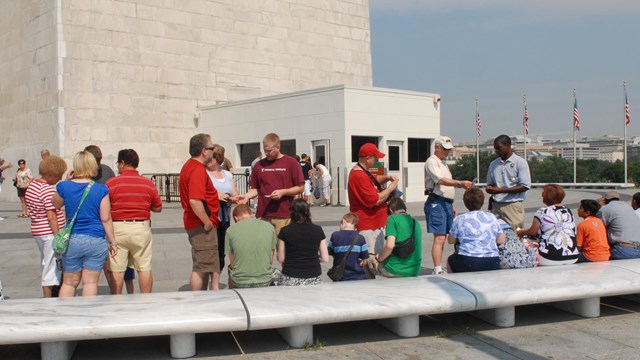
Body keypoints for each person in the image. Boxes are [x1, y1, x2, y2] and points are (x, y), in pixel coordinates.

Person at [52, 151, 118, 297]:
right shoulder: (101, 189)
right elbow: (106, 218)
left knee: (69, 282)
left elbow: (55, 204)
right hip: (95, 239)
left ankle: (65, 315)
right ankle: (87, 316)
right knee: (90, 282)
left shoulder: (64, 186)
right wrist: (113, 242)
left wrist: (64, 180)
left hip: (72, 240)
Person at [106, 149, 162, 294]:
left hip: (117, 228)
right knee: (144, 267)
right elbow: (158, 207)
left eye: (118, 163)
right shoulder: (147, 183)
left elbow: (104, 207)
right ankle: (145, 299)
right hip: (141, 227)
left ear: (123, 163)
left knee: (117, 269)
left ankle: (116, 298)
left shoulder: (111, 183)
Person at [237, 133, 304, 236]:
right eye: (265, 150)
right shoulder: (259, 165)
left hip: (284, 215)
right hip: (263, 214)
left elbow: (300, 187)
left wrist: (283, 192)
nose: (266, 153)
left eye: (269, 151)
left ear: (278, 147)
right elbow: (256, 189)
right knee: (264, 248)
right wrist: (246, 196)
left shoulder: (291, 163)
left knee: (282, 248)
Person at [424, 135, 473, 275]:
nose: (447, 152)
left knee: (447, 237)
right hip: (436, 201)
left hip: (446, 202)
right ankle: (437, 268)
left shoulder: (443, 163)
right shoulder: (432, 162)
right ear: (437, 147)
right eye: (445, 149)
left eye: (449, 150)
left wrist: (452, 204)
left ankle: (440, 266)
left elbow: (446, 186)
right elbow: (440, 180)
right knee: (439, 237)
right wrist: (460, 183)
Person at [179, 133, 221, 290]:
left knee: (204, 266)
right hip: (201, 225)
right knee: (201, 266)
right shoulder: (197, 169)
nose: (213, 151)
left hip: (196, 223)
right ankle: (197, 300)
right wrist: (207, 222)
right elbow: (195, 201)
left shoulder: (190, 166)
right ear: (204, 151)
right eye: (211, 148)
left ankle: (201, 298)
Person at [24, 156, 67, 297]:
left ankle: (50, 296)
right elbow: (51, 216)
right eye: (58, 176)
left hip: (38, 230)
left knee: (46, 263)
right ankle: (48, 299)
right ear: (49, 175)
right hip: (49, 233)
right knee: (51, 267)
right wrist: (58, 236)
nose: (59, 179)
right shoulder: (47, 189)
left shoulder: (31, 186)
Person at [347, 143, 399, 255]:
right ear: (367, 158)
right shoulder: (359, 175)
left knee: (374, 260)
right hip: (369, 227)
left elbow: (374, 179)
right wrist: (390, 188)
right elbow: (375, 200)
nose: (377, 159)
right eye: (375, 157)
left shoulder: (363, 171)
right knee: (370, 260)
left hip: (374, 225)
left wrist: (388, 177)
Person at [517, 184, 579, 266]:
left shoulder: (543, 211)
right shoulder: (568, 211)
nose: (542, 195)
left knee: (527, 242)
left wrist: (522, 232)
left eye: (543, 193)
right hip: (573, 256)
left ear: (547, 196)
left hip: (549, 257)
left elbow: (532, 232)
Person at [447, 188, 505, 273]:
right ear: (482, 201)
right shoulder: (491, 216)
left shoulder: (460, 219)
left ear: (465, 202)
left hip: (468, 260)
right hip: (492, 260)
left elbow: (450, 240)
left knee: (450, 260)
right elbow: (501, 240)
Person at [206, 144, 239, 289]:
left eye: (211, 158)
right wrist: (216, 196)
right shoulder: (204, 173)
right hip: (210, 217)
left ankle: (215, 282)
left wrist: (233, 199)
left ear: (218, 159)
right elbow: (199, 194)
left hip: (224, 218)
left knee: (221, 251)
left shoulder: (227, 175)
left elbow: (235, 194)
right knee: (210, 250)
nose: (208, 161)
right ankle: (211, 283)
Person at [276, 199, 329, 286]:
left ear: (292, 212)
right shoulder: (318, 230)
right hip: (314, 277)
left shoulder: (284, 231)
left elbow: (281, 258)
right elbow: (325, 259)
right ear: (307, 212)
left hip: (290, 276)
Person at [486, 134, 532, 230]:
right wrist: (490, 189)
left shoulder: (520, 162)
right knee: (496, 236)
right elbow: (490, 183)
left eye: (499, 148)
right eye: (495, 149)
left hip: (513, 206)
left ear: (507, 146)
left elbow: (525, 186)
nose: (496, 152)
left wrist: (501, 190)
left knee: (516, 234)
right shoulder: (493, 164)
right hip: (496, 205)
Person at [367, 197, 422, 277]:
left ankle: (368, 288)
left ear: (391, 211)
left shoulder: (392, 219)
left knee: (367, 260)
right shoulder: (416, 223)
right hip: (414, 270)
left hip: (395, 269)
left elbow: (390, 246)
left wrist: (379, 258)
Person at [225, 204, 277, 288]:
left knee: (230, 270)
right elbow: (270, 258)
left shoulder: (230, 230)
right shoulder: (269, 227)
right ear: (251, 214)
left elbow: (232, 264)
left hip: (240, 281)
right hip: (265, 279)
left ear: (235, 218)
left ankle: (233, 296)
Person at [596, 191, 640, 259]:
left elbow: (594, 224)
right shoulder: (627, 207)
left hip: (621, 250)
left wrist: (598, 206)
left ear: (605, 200)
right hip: (637, 250)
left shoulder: (605, 209)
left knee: (595, 255)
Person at [327, 213, 369, 281]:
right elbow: (365, 260)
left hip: (340, 276)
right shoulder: (360, 238)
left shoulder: (335, 235)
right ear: (355, 227)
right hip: (358, 276)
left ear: (343, 221)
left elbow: (331, 252)